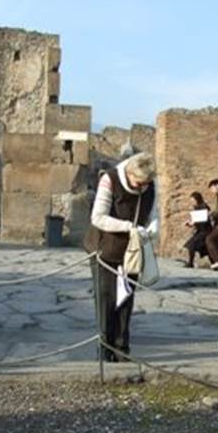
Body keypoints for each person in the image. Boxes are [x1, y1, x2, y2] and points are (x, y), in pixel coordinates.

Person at [86, 152, 157, 362]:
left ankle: (122, 348)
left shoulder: (150, 184)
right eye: (137, 184)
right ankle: (105, 349)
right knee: (106, 299)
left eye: (145, 184)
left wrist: (153, 229)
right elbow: (97, 217)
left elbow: (154, 214)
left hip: (132, 250)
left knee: (126, 298)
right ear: (129, 173)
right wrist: (128, 227)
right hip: (105, 248)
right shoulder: (109, 180)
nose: (141, 188)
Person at [182, 191, 212, 268]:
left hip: (205, 231)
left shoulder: (204, 207)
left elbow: (204, 220)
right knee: (195, 246)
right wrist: (190, 223)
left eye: (193, 200)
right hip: (200, 231)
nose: (192, 202)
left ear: (197, 199)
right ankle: (191, 262)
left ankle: (191, 263)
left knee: (192, 245)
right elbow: (196, 221)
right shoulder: (197, 208)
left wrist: (193, 223)